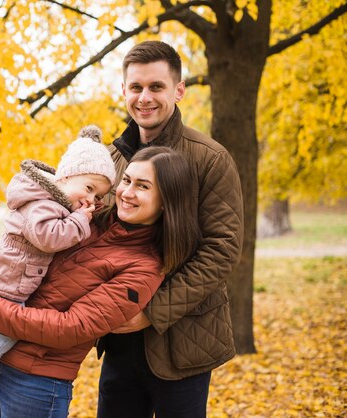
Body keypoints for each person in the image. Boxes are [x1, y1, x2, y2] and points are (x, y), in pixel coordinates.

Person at [0, 146, 201, 418]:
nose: (127, 192)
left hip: (35, 382)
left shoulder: (144, 267)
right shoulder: (86, 216)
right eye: (126, 180)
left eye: (143, 186)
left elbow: (73, 327)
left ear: (166, 201)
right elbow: (15, 248)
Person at [96, 40, 244, 417]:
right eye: (136, 87)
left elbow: (221, 250)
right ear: (124, 91)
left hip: (183, 340)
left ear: (178, 90)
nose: (144, 97)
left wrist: (152, 312)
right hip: (118, 341)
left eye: (156, 87)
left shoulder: (210, 159)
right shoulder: (110, 159)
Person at [0, 125, 116, 415]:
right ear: (65, 176)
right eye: (88, 189)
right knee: (11, 325)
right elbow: (49, 239)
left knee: (8, 318)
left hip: (8, 270)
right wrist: (79, 220)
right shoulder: (45, 204)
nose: (91, 201)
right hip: (11, 275)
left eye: (98, 196)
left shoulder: (50, 200)